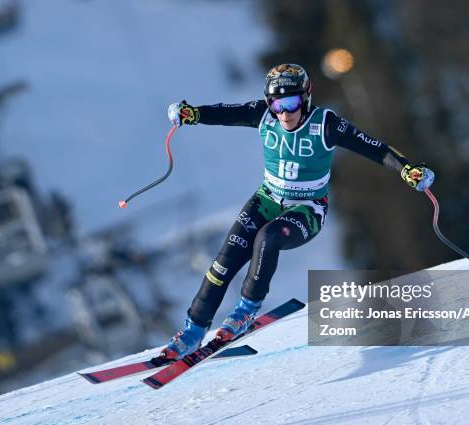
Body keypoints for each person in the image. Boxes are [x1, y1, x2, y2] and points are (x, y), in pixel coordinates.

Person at [160, 63, 434, 360]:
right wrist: (194, 114)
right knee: (222, 265)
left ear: (306, 98)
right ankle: (192, 332)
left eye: (291, 103)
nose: (284, 113)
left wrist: (407, 169)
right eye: (277, 104)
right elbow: (227, 112)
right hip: (266, 200)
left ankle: (245, 313)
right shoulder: (265, 115)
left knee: (268, 238)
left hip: (307, 209)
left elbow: (374, 148)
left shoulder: (325, 123)